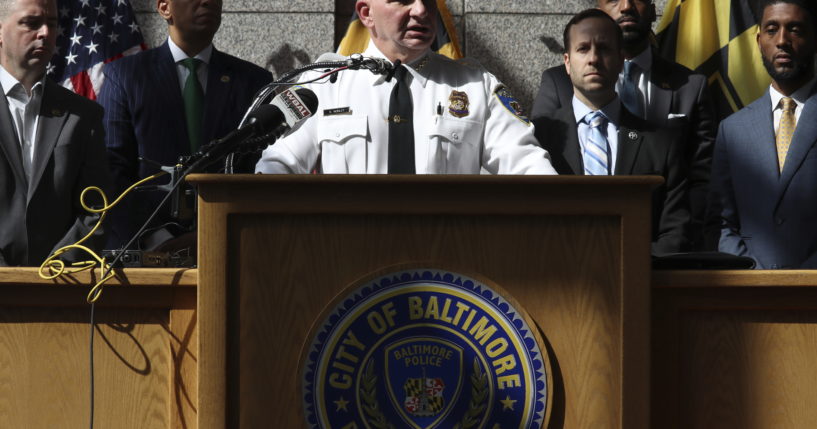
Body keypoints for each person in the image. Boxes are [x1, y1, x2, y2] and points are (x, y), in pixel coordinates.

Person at [255, 0, 557, 175]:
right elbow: (277, 167)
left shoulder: (476, 85)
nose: (422, 10)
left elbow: (529, 167)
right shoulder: (324, 84)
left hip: (446, 272)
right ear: (366, 13)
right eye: (403, 0)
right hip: (348, 262)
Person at [531, 0, 715, 250]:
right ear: (567, 61)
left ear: (620, 60)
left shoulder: (661, 142)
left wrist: (630, 264)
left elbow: (675, 226)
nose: (593, 59)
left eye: (604, 49)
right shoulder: (540, 137)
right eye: (583, 49)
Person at [99, 0, 272, 250]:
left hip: (231, 243)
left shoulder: (252, 82)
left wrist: (221, 233)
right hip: (147, 252)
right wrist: (159, 239)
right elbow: (111, 169)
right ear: (164, 7)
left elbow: (261, 167)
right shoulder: (124, 76)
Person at [0, 0, 111, 266]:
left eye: (51, 24)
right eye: (31, 23)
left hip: (60, 287)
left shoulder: (83, 115)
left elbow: (96, 207)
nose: (45, 34)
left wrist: (58, 266)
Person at [709, 0, 817, 269]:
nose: (782, 40)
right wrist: (753, 273)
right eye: (771, 30)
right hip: (751, 296)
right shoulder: (732, 129)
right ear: (758, 40)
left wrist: (803, 278)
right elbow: (721, 222)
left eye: (795, 29)